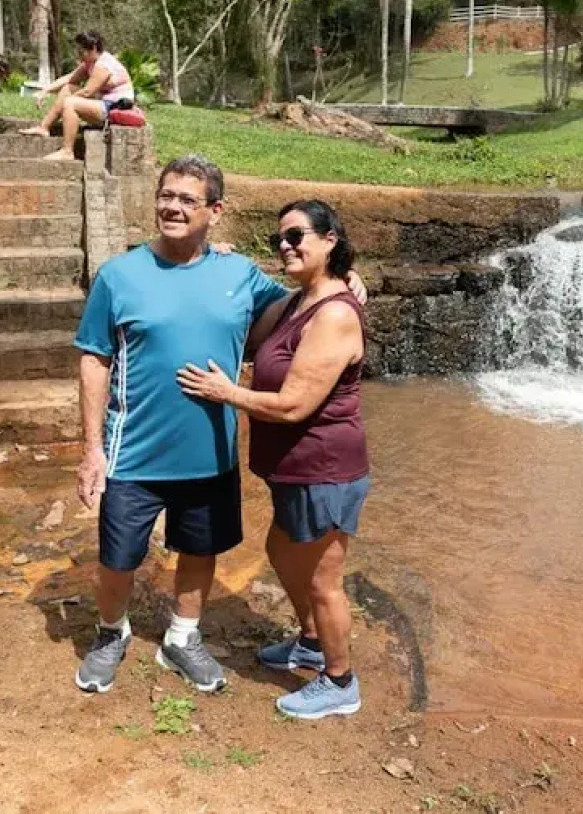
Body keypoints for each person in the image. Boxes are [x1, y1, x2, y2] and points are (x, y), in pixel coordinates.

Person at [71, 155, 366, 699]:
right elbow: (94, 358)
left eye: (187, 199)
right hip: (132, 452)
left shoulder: (241, 276)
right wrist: (92, 450)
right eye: (166, 196)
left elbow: (306, 299)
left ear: (215, 211)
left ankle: (183, 638)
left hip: (210, 454)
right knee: (117, 559)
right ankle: (110, 633)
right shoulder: (119, 275)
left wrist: (345, 276)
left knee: (200, 551)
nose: (172, 207)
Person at [177, 200, 369, 721]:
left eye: (297, 235)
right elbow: (250, 335)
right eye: (278, 239)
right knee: (282, 552)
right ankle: (310, 641)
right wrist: (214, 258)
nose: (285, 245)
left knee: (322, 580)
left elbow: (293, 404)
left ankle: (340, 681)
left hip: (325, 467)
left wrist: (226, 392)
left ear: (330, 239)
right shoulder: (300, 300)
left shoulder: (332, 314)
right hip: (294, 468)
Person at [21, 31, 136, 161]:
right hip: (103, 103)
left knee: (70, 103)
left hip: (116, 108)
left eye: (81, 51)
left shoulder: (104, 65)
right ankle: (44, 127)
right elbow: (70, 78)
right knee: (67, 89)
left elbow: (88, 92)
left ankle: (67, 151)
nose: (79, 55)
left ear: (92, 49)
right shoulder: (90, 62)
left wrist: (67, 102)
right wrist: (45, 91)